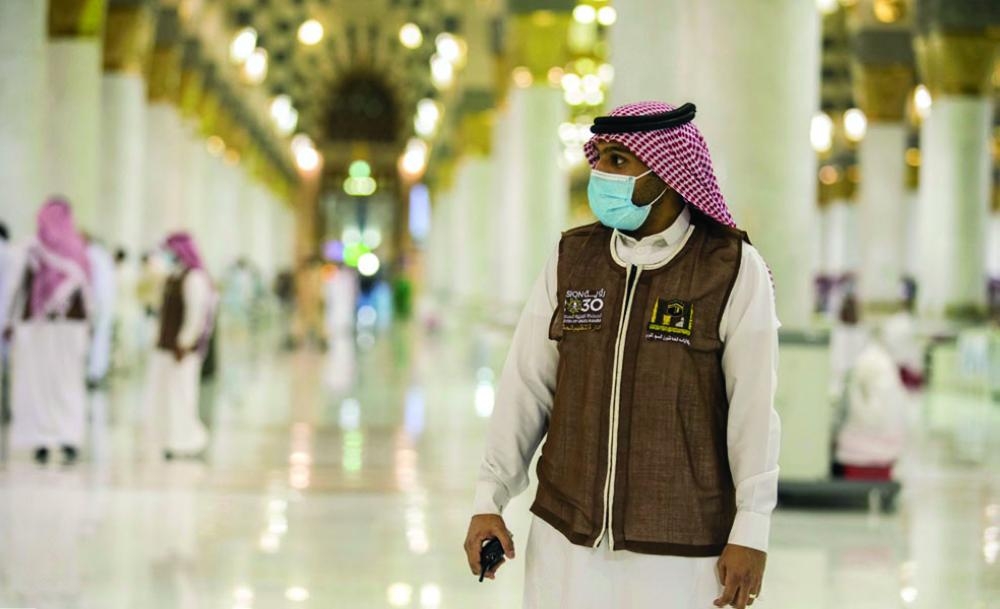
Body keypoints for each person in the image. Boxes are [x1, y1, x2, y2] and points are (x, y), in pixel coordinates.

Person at [464, 102, 781, 609]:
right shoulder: (574, 259)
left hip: (680, 548)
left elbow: (754, 409)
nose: (601, 175)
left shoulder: (729, 268)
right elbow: (525, 387)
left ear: (667, 173)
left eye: (617, 161)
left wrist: (752, 528)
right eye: (600, 159)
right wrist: (489, 498)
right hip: (566, 539)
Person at [3, 199, 92, 464]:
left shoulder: (31, 248)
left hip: (39, 328)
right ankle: (64, 438)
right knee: (63, 383)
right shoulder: (77, 250)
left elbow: (16, 289)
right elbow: (89, 296)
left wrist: (8, 322)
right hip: (67, 329)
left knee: (43, 384)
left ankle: (46, 439)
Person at [145, 232, 216, 460]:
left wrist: (185, 343)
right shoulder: (175, 276)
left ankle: (186, 441)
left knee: (182, 396)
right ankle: (170, 440)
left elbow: (196, 316)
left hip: (182, 351)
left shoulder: (194, 278)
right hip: (167, 349)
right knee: (167, 396)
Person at [84, 235, 117, 387]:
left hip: (96, 306)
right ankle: (96, 372)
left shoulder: (91, 254)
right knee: (100, 341)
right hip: (103, 306)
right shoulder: (103, 256)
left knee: (95, 341)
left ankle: (93, 373)